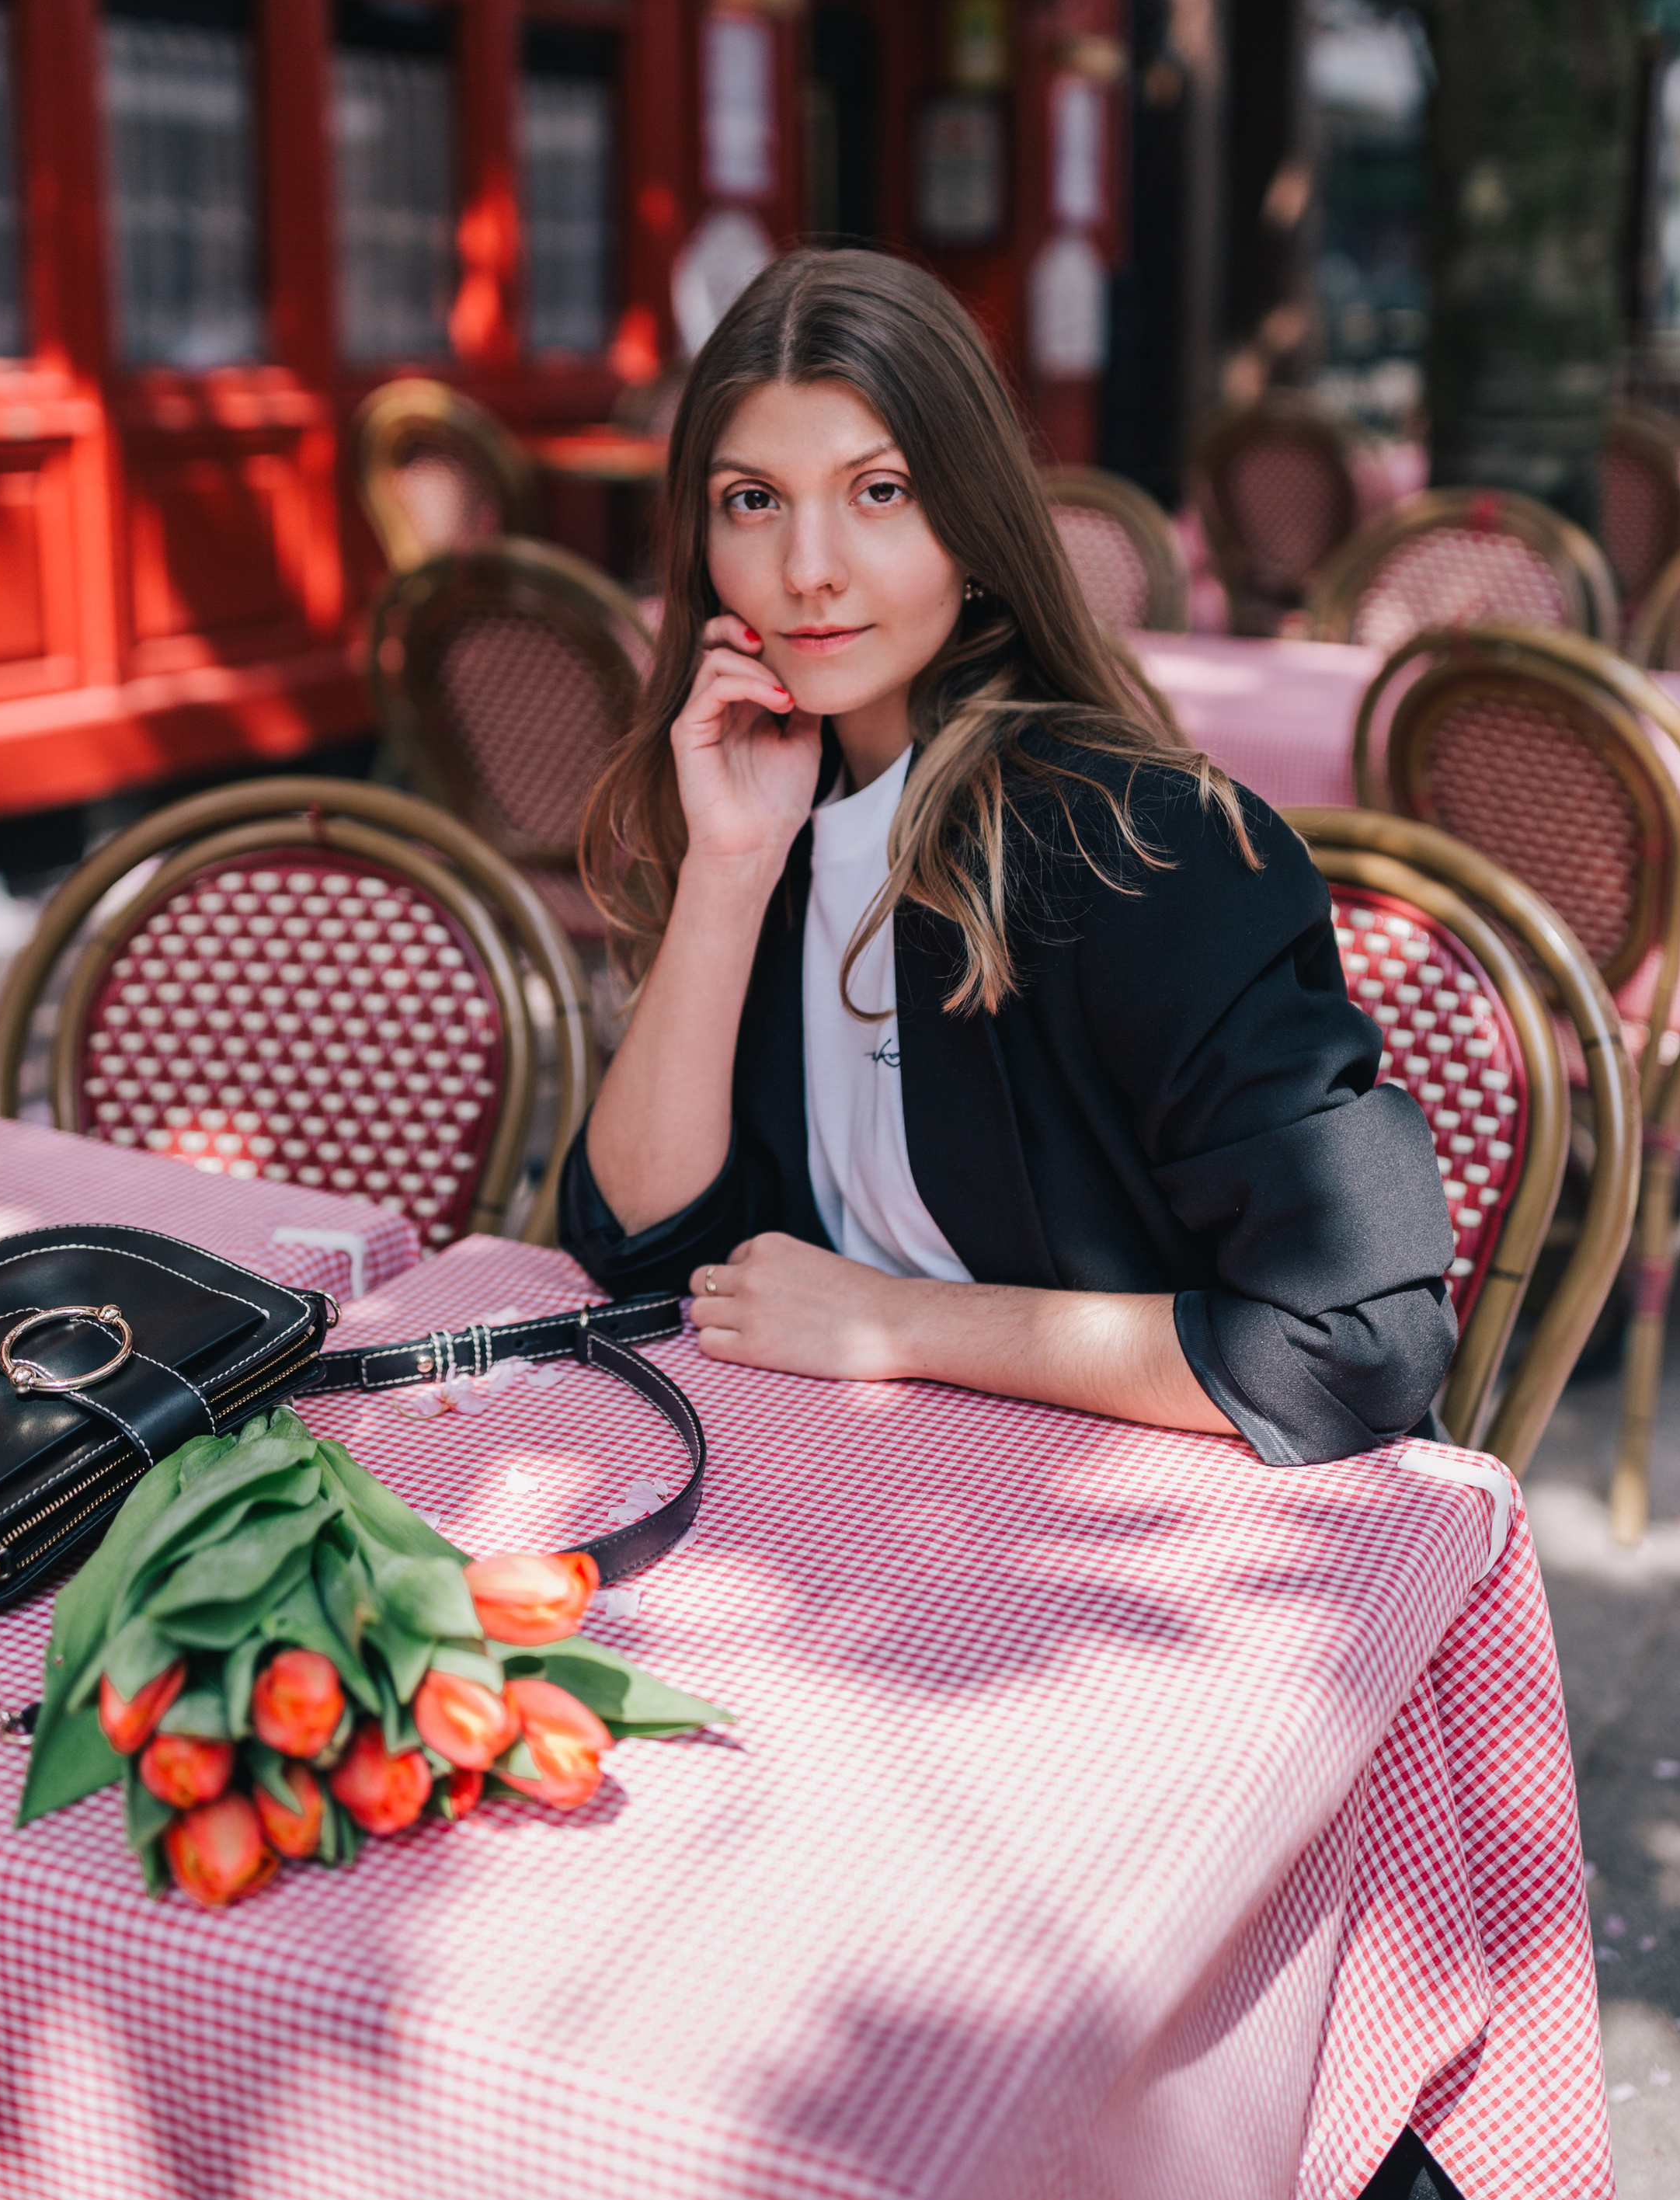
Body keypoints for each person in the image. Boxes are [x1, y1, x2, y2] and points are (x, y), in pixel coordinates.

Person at [560, 248, 1456, 1464]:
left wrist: (898, 1323)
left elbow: (1360, 1343)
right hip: (861, 1483)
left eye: (878, 491)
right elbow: (639, 1244)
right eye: (753, 500)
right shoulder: (778, 808)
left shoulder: (1144, 849)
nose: (807, 569)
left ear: (972, 522)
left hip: (1164, 1518)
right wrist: (728, 866)